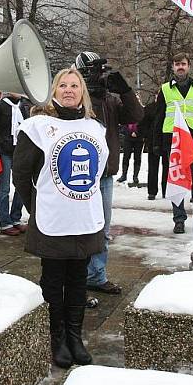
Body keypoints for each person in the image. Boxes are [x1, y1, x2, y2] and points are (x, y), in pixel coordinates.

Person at [13, 67, 108, 367]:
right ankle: (57, 339)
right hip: (52, 220)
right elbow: (21, 173)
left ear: (83, 93)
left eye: (75, 86)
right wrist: (37, 207)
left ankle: (75, 337)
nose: (69, 90)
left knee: (79, 279)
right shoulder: (37, 126)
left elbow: (98, 172)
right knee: (53, 280)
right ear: (53, 91)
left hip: (84, 217)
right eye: (63, 85)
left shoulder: (96, 128)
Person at [74, 51, 143, 295]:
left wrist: (125, 92)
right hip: (80, 174)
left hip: (104, 176)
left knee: (102, 228)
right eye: (95, 70)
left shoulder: (110, 101)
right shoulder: (78, 99)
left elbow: (135, 116)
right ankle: (77, 276)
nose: (101, 75)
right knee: (80, 228)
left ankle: (97, 275)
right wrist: (89, 92)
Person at [152, 52, 193, 234]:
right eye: (177, 64)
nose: (180, 67)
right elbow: (158, 117)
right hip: (172, 140)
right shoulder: (165, 89)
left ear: (189, 66)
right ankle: (179, 219)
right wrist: (157, 143)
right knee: (176, 180)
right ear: (173, 67)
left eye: (183, 63)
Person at [0, 92, 30, 235]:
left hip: (20, 150)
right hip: (4, 151)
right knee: (4, 188)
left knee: (21, 185)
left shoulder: (22, 106)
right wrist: (3, 143)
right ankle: (5, 222)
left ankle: (16, 218)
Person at [140, 94, 165, 201]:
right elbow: (142, 124)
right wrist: (146, 136)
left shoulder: (169, 107)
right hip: (152, 141)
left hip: (166, 141)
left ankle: (166, 190)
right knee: (153, 168)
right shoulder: (149, 108)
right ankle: (152, 191)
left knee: (167, 167)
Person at [119, 122, 144, 186]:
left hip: (139, 138)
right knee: (126, 156)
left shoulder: (142, 113)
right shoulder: (128, 114)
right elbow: (124, 125)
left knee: (137, 158)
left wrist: (137, 133)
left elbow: (144, 124)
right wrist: (129, 133)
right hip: (128, 138)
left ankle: (135, 176)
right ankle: (124, 175)